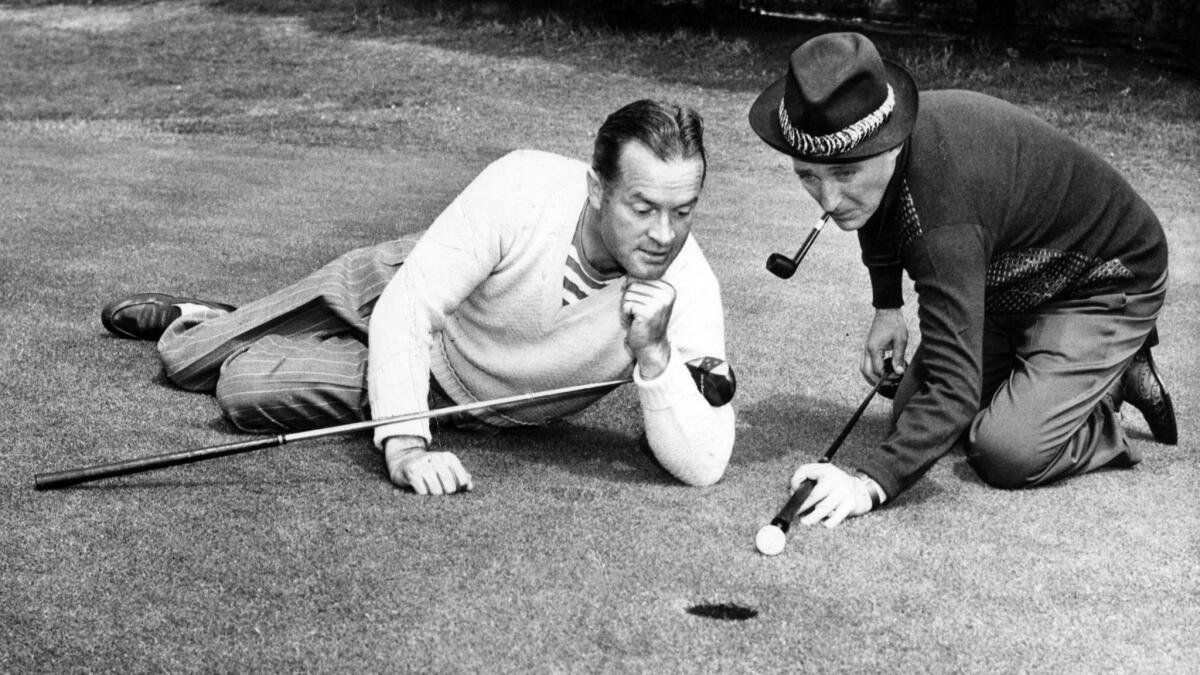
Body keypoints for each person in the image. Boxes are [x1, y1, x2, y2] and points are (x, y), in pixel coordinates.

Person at [101, 99, 736, 494]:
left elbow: (704, 463)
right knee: (187, 362)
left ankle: (266, 334)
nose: (663, 234)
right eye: (643, 206)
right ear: (598, 190)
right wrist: (405, 447)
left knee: (246, 388)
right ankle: (206, 318)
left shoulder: (691, 287)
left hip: (452, 388)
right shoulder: (523, 185)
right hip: (397, 287)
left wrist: (654, 358)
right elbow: (410, 305)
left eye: (682, 210)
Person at [747, 33, 1176, 526]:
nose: (827, 200)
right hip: (1008, 280)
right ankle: (1047, 369)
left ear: (890, 148)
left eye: (844, 173)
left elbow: (954, 390)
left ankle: (1108, 391)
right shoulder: (885, 145)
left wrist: (870, 483)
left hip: (1101, 279)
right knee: (911, 408)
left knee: (1007, 450)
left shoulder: (943, 220)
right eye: (808, 175)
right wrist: (887, 306)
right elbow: (874, 213)